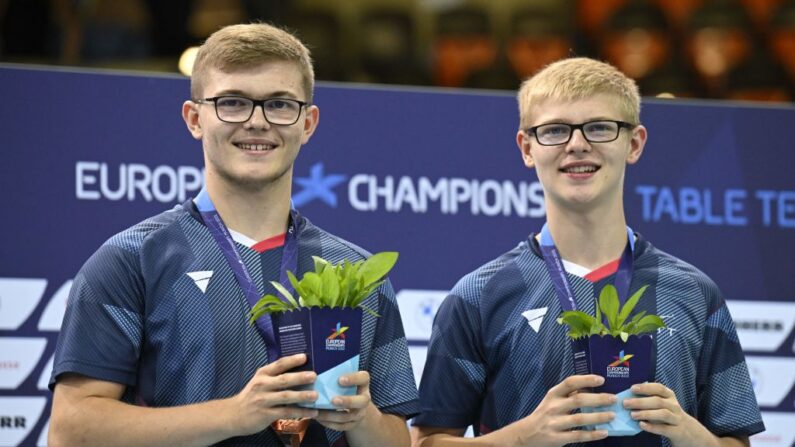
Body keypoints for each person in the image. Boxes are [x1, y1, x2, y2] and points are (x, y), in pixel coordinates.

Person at [48, 23, 419, 447]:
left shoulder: (356, 271)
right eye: (233, 103)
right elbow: (71, 431)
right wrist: (236, 415)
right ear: (194, 118)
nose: (258, 122)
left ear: (308, 122)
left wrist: (361, 416)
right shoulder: (132, 258)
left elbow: (396, 439)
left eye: (279, 104)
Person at [411, 57, 764, 447]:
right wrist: (524, 437)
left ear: (634, 143)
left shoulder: (695, 293)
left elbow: (736, 440)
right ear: (527, 148)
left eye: (599, 128)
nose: (577, 145)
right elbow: (427, 441)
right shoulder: (479, 295)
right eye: (556, 130)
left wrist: (692, 436)